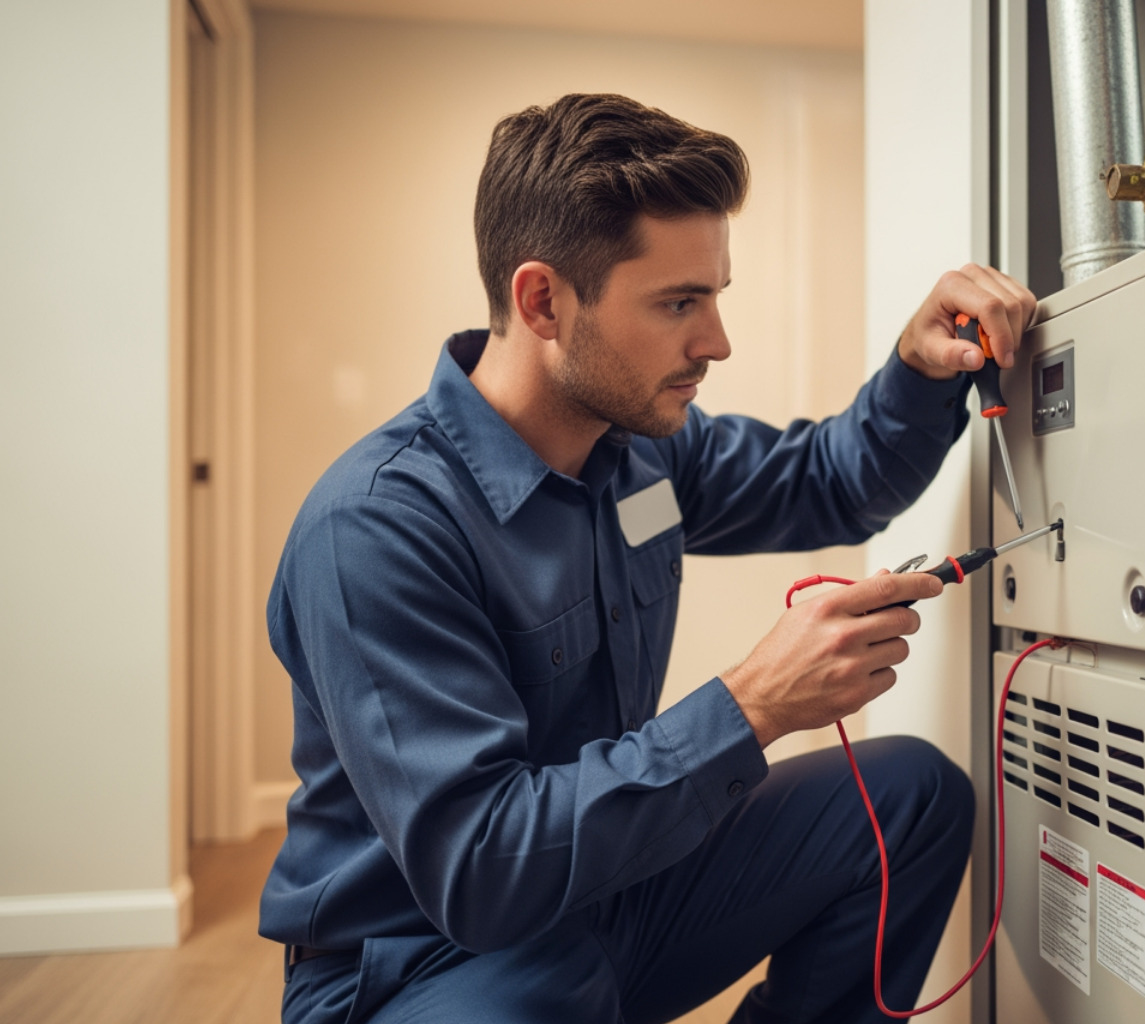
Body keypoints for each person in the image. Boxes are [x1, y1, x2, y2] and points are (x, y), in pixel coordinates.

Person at [260, 92, 1036, 1024]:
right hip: (421, 961)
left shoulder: (643, 452)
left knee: (910, 797)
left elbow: (833, 481)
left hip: (608, 899)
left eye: (714, 297)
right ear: (543, 300)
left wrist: (918, 366)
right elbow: (481, 871)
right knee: (543, 995)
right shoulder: (378, 528)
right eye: (679, 303)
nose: (715, 342)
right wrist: (751, 705)